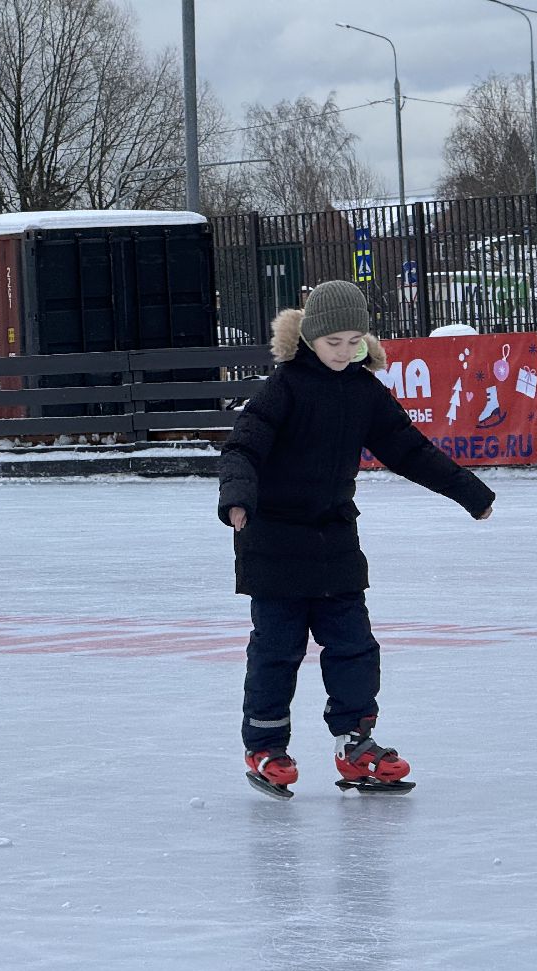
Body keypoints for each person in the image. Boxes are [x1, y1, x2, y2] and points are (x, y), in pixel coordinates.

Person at [218, 280, 496, 795]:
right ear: (310, 337)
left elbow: (409, 449)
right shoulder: (284, 387)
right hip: (273, 539)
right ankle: (265, 746)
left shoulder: (364, 391)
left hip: (335, 540)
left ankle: (356, 743)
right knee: (277, 649)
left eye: (354, 341)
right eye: (334, 342)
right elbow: (243, 446)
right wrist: (237, 497)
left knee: (354, 645)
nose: (344, 352)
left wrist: (469, 492)